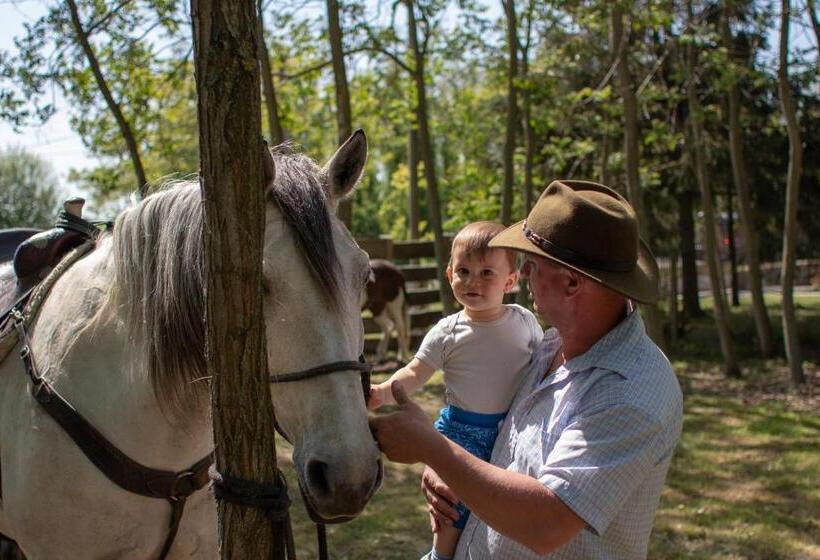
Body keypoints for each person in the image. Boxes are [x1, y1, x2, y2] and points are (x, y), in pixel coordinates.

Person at [370, 180, 684, 559]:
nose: (524, 277)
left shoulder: (629, 392)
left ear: (571, 282)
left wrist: (435, 450)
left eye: (532, 265)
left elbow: (545, 523)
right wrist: (452, 473)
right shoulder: (545, 344)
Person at [368, 221, 543, 560]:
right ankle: (440, 555)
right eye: (463, 271)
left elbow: (541, 367)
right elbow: (415, 372)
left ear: (510, 282)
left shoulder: (524, 322)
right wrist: (384, 392)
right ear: (449, 276)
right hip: (461, 434)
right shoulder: (447, 332)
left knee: (503, 511)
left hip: (514, 431)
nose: (473, 281)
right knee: (451, 509)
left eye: (486, 273)